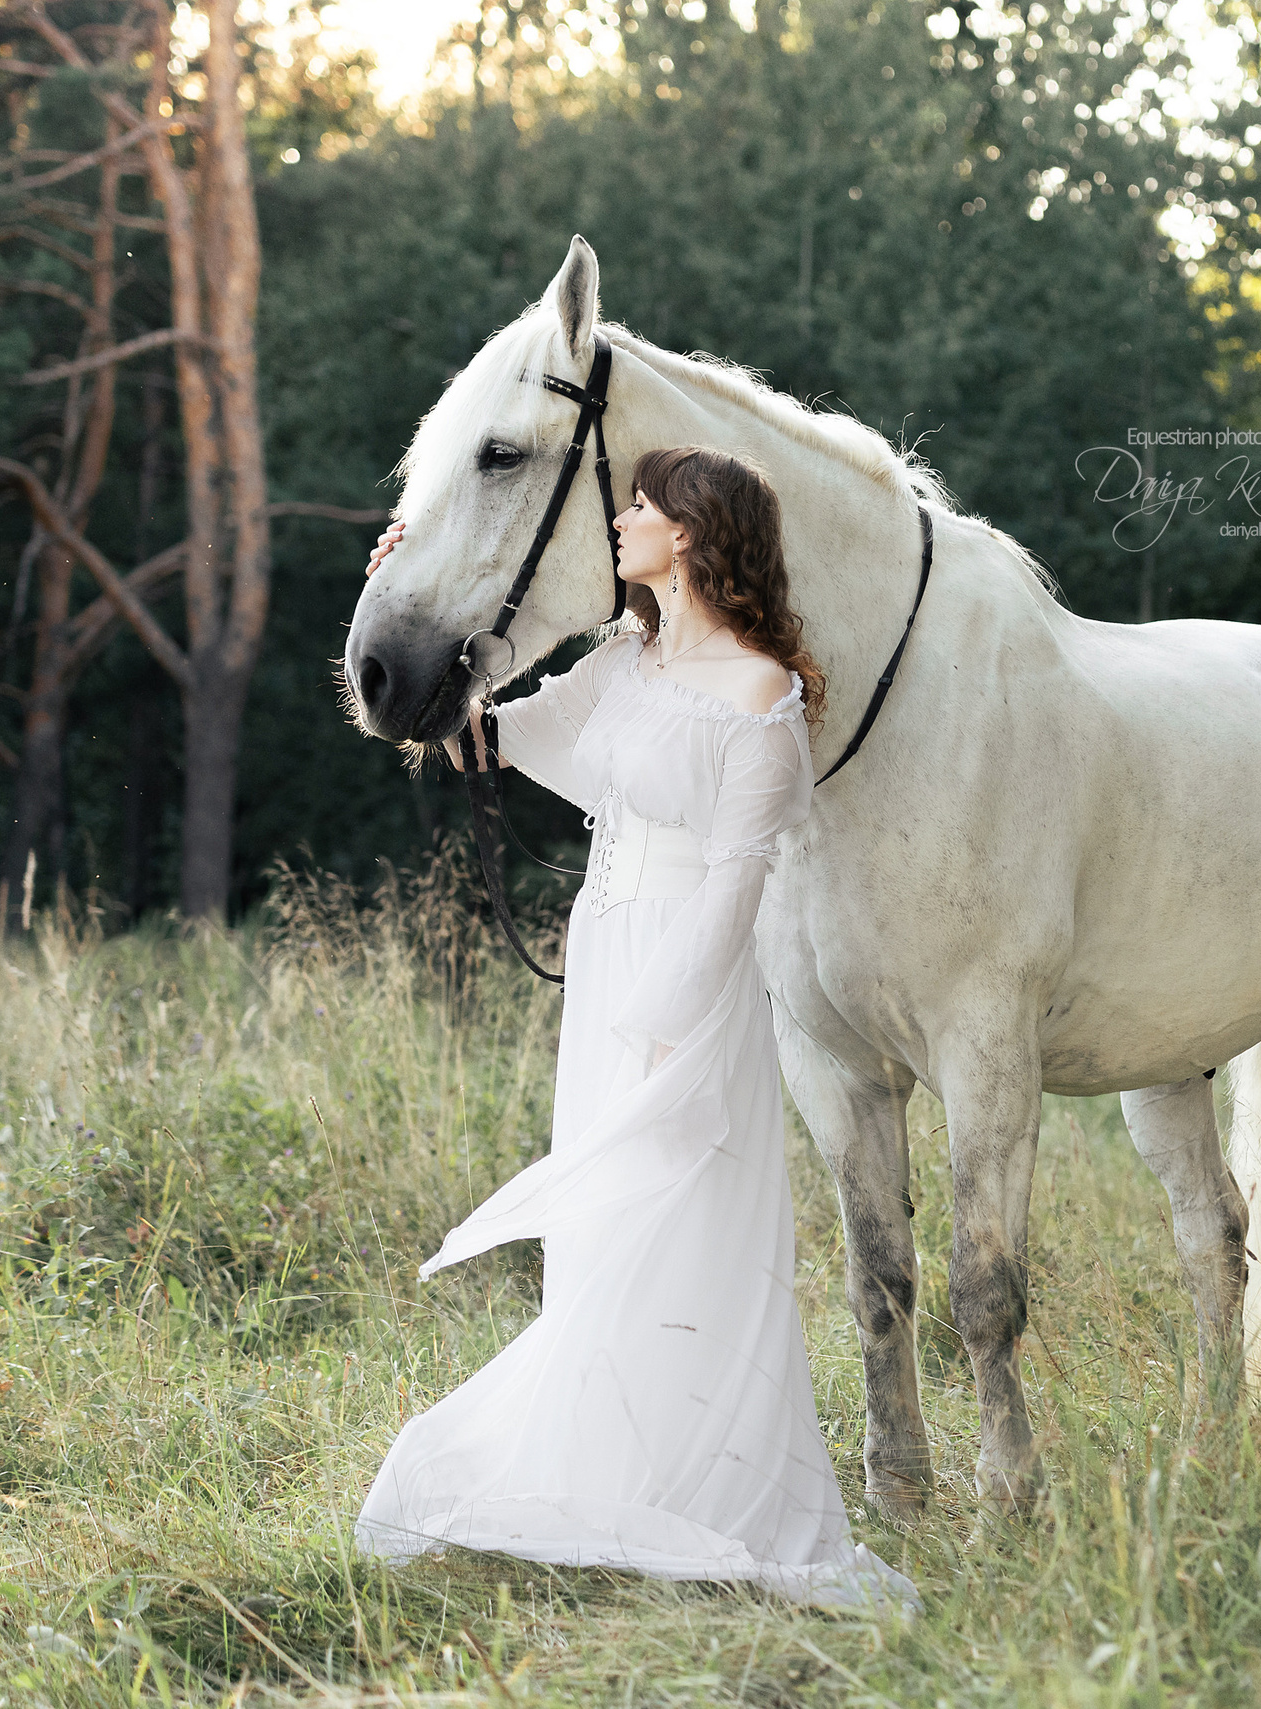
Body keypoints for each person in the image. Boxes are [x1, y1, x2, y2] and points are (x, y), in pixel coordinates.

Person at [351, 445, 919, 1614]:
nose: (622, 519)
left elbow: (737, 877)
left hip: (687, 977)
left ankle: (714, 1495)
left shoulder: (765, 691)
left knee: (685, 1218)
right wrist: (399, 599)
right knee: (609, 1233)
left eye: (644, 505)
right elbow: (482, 735)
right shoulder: (627, 659)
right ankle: (609, 1470)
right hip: (606, 956)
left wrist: (671, 1019)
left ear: (698, 533)